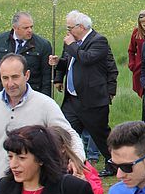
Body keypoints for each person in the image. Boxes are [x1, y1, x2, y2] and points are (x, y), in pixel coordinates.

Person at [0, 54, 84, 194]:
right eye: (5, 78)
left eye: (15, 77)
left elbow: (69, 135)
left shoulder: (45, 104)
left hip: (36, 190)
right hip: (0, 191)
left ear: (26, 75)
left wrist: (77, 159)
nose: (10, 83)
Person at [50, 10, 118, 177]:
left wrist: (72, 45)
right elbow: (69, 62)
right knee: (66, 132)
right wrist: (58, 63)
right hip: (72, 99)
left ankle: (115, 162)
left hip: (92, 99)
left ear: (80, 27)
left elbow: (86, 59)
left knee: (100, 135)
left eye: (70, 27)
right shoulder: (72, 42)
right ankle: (66, 165)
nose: (68, 31)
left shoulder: (98, 41)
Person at [0, 12, 53, 97]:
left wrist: (45, 100)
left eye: (31, 27)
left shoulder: (43, 45)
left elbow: (47, 76)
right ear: (15, 28)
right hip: (5, 93)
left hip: (31, 95)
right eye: (25, 28)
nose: (30, 30)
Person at [50, 126, 103, 194]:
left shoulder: (79, 165)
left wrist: (85, 182)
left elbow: (97, 193)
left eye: (50, 147)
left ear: (63, 148)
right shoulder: (42, 166)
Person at [127, 10, 145, 98]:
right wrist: (132, 64)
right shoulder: (136, 33)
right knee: (143, 91)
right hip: (139, 68)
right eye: (142, 23)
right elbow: (131, 50)